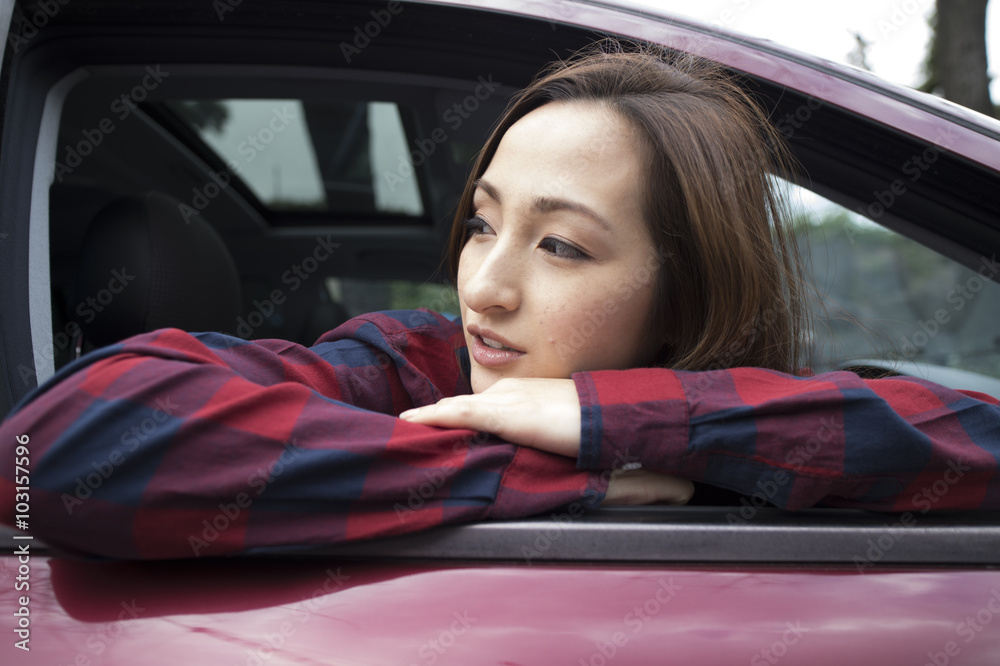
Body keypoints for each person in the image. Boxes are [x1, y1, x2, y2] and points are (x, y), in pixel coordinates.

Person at [1, 43, 998, 560]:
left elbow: (973, 440)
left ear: (683, 294)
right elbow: (48, 449)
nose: (484, 285)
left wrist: (614, 419)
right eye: (483, 223)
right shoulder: (412, 366)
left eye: (560, 244)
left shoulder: (765, 424)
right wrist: (564, 474)